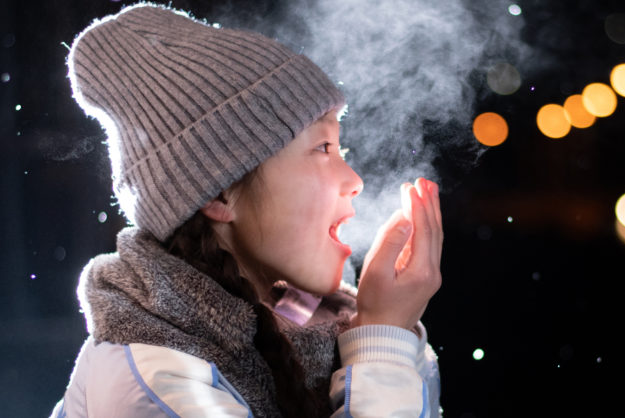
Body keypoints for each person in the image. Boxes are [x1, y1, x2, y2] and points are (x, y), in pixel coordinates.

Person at [51, 3, 443, 417]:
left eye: (340, 147)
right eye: (322, 148)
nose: (355, 180)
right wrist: (384, 341)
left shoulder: (318, 323)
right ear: (220, 194)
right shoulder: (152, 377)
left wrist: (382, 333)